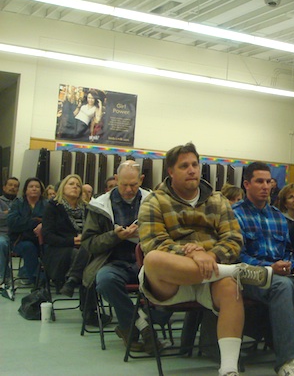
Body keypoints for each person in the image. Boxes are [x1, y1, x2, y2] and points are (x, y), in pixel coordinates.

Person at [138, 143, 272, 376]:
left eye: (194, 165)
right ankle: (234, 271)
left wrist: (209, 254)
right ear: (170, 171)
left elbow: (233, 239)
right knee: (152, 259)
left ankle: (229, 368)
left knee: (232, 290)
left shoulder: (218, 200)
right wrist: (191, 253)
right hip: (172, 281)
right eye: (184, 166)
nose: (191, 170)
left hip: (211, 276)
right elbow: (155, 243)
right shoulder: (154, 201)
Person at [234, 162, 294, 376]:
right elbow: (236, 256)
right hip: (250, 277)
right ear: (246, 184)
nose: (265, 186)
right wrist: (270, 267)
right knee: (282, 286)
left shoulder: (277, 216)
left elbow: (289, 251)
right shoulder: (235, 215)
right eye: (259, 181)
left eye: (268, 181)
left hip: (282, 275)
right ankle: (287, 360)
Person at [81, 160, 158, 350]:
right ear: (116, 179)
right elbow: (89, 243)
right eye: (124, 184)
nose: (129, 189)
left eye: (134, 184)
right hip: (114, 262)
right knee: (105, 280)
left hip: (148, 263)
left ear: (141, 180)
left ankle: (129, 326)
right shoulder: (99, 206)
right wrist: (114, 236)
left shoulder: (153, 201)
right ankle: (143, 325)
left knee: (177, 282)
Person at [42, 174, 88, 293]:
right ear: (63, 187)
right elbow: (48, 236)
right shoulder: (53, 206)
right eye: (71, 184)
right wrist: (72, 240)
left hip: (85, 246)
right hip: (58, 249)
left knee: (92, 255)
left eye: (78, 185)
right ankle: (87, 303)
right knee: (80, 255)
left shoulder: (87, 208)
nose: (75, 187)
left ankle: (72, 280)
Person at [7, 177, 47, 285]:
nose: (34, 189)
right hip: (20, 240)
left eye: (37, 187)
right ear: (26, 190)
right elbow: (12, 222)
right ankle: (37, 279)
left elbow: (52, 222)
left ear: (41, 190)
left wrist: (42, 224)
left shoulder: (47, 204)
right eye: (31, 186)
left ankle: (53, 277)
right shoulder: (18, 203)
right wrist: (35, 222)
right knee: (28, 247)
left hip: (43, 239)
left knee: (53, 248)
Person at [0, 177, 19, 287]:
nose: (13, 188)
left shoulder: (21, 202)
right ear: (4, 187)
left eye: (15, 186)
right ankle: (3, 276)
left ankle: (27, 274)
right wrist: (13, 214)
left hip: (19, 235)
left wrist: (7, 213)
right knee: (1, 243)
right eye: (10, 185)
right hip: (3, 233)